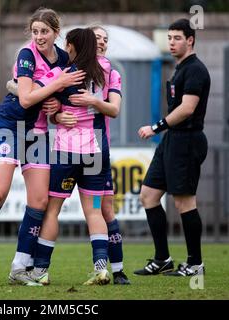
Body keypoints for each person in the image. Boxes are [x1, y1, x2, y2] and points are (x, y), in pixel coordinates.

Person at [0, 7, 85, 287]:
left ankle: (19, 268)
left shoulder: (66, 59)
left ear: (56, 32)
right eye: (35, 31)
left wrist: (58, 108)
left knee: (39, 201)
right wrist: (56, 83)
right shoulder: (27, 55)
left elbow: (64, 100)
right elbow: (24, 100)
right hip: (10, 125)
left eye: (44, 31)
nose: (39, 37)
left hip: (38, 131)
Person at [29, 28, 114, 286]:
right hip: (95, 150)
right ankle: (101, 268)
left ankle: (41, 270)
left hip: (67, 150)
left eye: (68, 45)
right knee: (95, 210)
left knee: (52, 211)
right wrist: (57, 111)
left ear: (73, 46)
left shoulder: (63, 73)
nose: (66, 49)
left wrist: (54, 113)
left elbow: (34, 93)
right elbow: (109, 105)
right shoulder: (104, 73)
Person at [134, 18, 210, 277]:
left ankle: (195, 264)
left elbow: (187, 109)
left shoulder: (195, 70)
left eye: (177, 38)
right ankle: (162, 259)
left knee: (184, 202)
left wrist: (155, 127)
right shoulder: (179, 68)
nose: (172, 43)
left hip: (187, 141)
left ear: (190, 40)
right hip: (172, 141)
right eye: (169, 38)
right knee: (148, 195)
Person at [68, 25, 130, 285]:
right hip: (71, 148)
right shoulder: (72, 69)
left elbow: (114, 110)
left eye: (105, 39)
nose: (101, 42)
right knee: (93, 209)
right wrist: (56, 113)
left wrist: (93, 100)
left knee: (103, 209)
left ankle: (116, 270)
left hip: (96, 150)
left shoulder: (110, 73)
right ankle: (36, 267)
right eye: (97, 38)